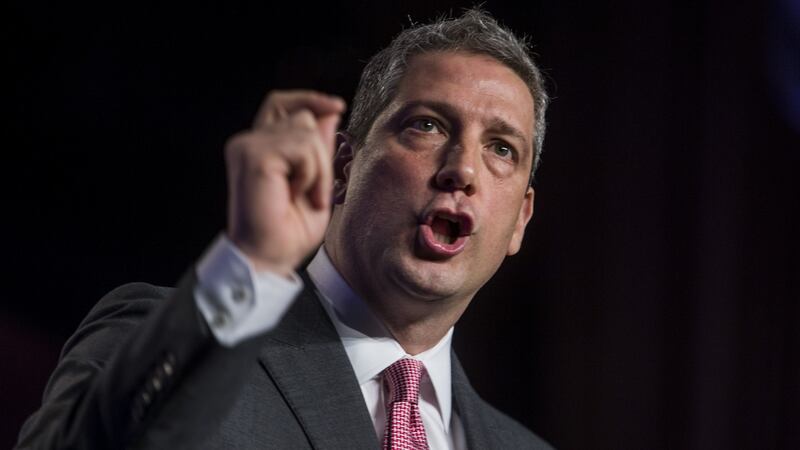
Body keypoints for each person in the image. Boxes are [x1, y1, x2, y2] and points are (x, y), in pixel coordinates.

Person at [16, 8, 554, 450]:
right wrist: (249, 265)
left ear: (519, 222)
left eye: (502, 148)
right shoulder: (170, 340)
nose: (462, 168)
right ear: (344, 167)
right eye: (428, 125)